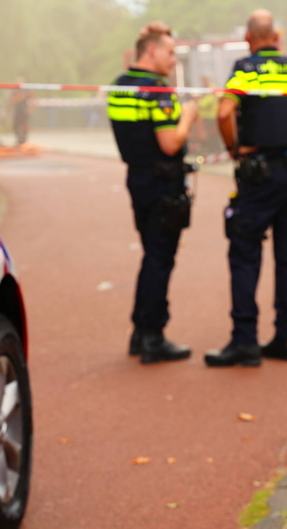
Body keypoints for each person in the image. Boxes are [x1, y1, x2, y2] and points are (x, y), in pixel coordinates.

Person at [205, 10, 287, 367]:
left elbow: (225, 113)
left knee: (245, 253)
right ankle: (286, 340)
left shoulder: (246, 69)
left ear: (249, 38)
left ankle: (244, 341)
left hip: (260, 175)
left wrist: (235, 149)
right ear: (275, 37)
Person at [108, 21, 198, 364]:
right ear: (152, 51)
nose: (174, 60)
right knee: (160, 260)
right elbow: (170, 142)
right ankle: (152, 336)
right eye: (171, 53)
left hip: (138, 180)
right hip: (163, 184)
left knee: (151, 255)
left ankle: (139, 332)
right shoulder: (158, 91)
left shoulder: (120, 86)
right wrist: (187, 116)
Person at [11, 77, 34, 145]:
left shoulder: (27, 91)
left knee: (24, 126)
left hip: (24, 111)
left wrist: (30, 108)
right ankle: (18, 140)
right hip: (17, 111)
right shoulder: (15, 91)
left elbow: (34, 99)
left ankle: (24, 140)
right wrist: (18, 98)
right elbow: (12, 102)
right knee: (15, 125)